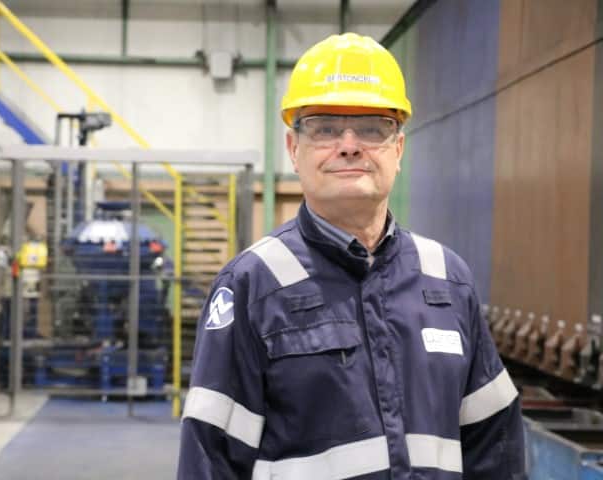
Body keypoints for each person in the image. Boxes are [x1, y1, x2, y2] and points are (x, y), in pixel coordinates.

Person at [177, 33, 525, 480]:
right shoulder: (252, 285)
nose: (348, 144)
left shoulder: (447, 280)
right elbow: (210, 458)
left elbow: (494, 446)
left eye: (372, 128)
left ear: (398, 149)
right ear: (293, 150)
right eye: (324, 128)